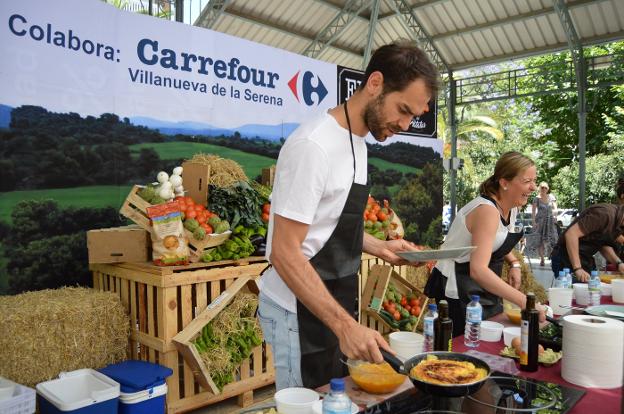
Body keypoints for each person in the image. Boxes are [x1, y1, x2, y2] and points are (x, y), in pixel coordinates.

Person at [258, 42, 439, 390]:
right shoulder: (313, 146)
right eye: (402, 110)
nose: (404, 124)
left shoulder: (359, 142)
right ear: (375, 83)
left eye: (412, 117)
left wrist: (381, 248)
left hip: (330, 301)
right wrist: (345, 326)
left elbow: (328, 225)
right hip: (297, 310)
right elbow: (284, 252)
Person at [424, 152, 546, 337]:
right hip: (458, 285)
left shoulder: (510, 208)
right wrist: (525, 302)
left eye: (534, 180)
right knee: (465, 346)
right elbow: (478, 270)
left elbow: (492, 240)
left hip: (480, 285)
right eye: (527, 181)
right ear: (504, 183)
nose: (533, 187)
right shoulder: (486, 211)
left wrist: (514, 263)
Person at [550, 203, 624, 282]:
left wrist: (619, 263)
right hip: (565, 257)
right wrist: (577, 268)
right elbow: (571, 234)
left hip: (585, 259)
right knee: (571, 292)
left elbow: (602, 244)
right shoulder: (604, 214)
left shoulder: (617, 223)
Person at [527, 182, 558, 266]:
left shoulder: (551, 197)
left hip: (550, 221)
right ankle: (542, 259)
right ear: (539, 188)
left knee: (552, 240)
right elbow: (533, 211)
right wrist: (533, 221)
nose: (544, 189)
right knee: (539, 240)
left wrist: (555, 216)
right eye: (542, 187)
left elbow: (555, 209)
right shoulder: (536, 199)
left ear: (547, 188)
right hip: (540, 221)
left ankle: (552, 258)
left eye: (545, 187)